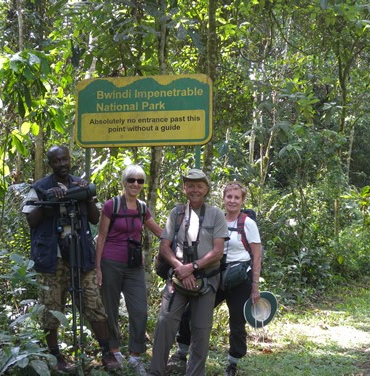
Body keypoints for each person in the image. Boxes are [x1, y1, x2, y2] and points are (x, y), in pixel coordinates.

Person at [22, 145, 115, 372]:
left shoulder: (79, 184)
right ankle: (56, 358)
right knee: (51, 308)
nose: (62, 164)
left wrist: (87, 195)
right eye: (56, 161)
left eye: (65, 159)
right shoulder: (40, 187)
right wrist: (49, 201)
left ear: (69, 159)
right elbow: (31, 221)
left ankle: (107, 352)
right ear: (50, 164)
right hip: (52, 259)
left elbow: (94, 219)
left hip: (81, 256)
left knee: (94, 304)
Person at [167, 181, 262, 376]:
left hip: (239, 279)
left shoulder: (248, 223)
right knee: (190, 313)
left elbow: (257, 256)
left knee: (237, 322)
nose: (232, 201)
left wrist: (255, 287)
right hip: (215, 275)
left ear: (243, 200)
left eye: (237, 197)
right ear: (223, 198)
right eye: (229, 197)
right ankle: (181, 352)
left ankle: (233, 363)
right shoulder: (215, 218)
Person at [148, 168, 229, 376]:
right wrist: (180, 268)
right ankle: (156, 371)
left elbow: (218, 251)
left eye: (199, 185)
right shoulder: (176, 213)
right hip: (178, 278)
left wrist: (192, 268)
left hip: (206, 280)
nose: (195, 190)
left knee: (201, 330)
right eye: (190, 185)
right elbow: (164, 247)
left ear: (206, 189)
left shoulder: (216, 214)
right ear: (185, 188)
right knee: (165, 322)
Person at [95, 164, 162, 376]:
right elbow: (102, 237)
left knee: (140, 310)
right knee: (110, 309)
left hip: (134, 267)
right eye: (131, 180)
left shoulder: (142, 208)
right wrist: (97, 268)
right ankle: (114, 351)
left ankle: (135, 356)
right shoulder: (111, 205)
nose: (135, 184)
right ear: (124, 182)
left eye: (140, 181)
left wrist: (179, 238)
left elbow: (159, 231)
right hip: (110, 263)